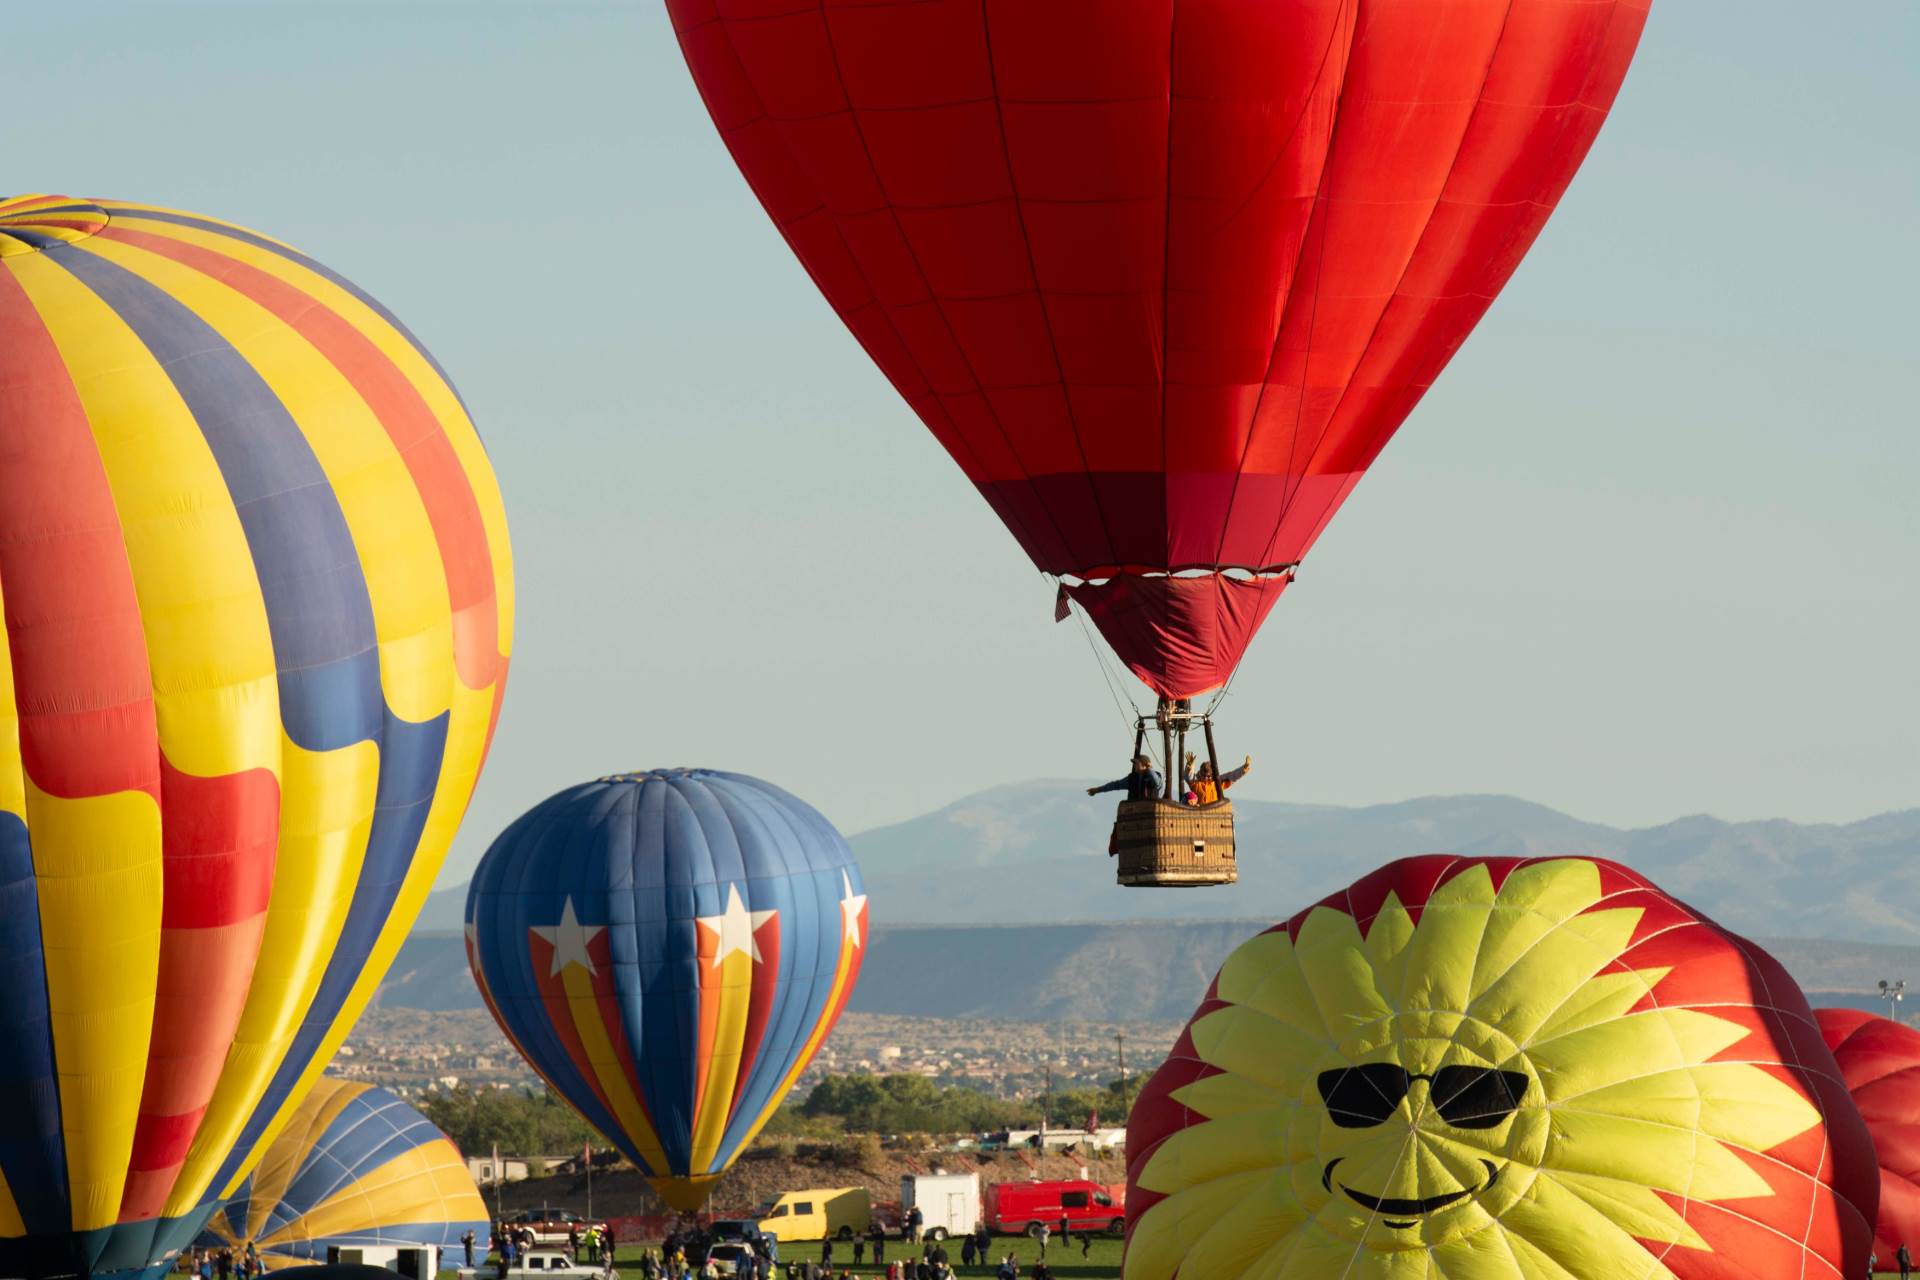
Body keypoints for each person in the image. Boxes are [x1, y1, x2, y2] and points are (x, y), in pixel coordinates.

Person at [1184, 753, 1250, 805]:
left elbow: (1232, 775)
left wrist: (1243, 769)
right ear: (1200, 773)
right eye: (1203, 775)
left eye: (1208, 776)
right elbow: (1189, 776)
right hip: (1199, 815)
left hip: (1213, 814)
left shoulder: (1217, 783)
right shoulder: (1196, 783)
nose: (1205, 778)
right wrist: (1189, 767)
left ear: (1212, 775)